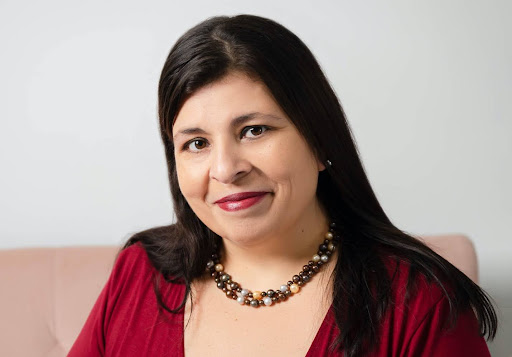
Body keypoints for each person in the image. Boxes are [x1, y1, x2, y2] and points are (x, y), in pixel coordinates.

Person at [69, 14, 497, 356]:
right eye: (196, 143)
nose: (225, 169)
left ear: (319, 139)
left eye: (254, 130)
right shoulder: (140, 272)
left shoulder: (420, 304)